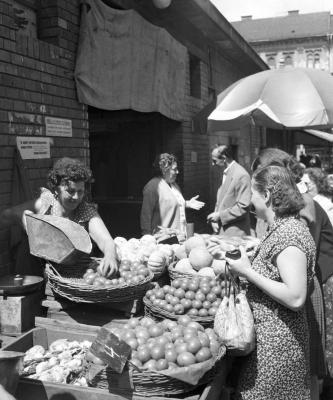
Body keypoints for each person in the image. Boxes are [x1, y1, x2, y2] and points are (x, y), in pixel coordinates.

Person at [227, 165, 316, 400]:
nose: (249, 202)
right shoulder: (282, 228)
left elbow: (296, 297)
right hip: (272, 341)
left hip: (278, 347)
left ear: (266, 196)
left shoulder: (289, 235)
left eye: (252, 195)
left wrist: (248, 271)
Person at [251, 148, 333, 400]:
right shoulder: (294, 203)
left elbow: (297, 251)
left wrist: (309, 275)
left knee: (309, 364)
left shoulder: (300, 208)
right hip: (302, 283)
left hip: (305, 287)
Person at [0, 157, 117, 277]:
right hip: (34, 276)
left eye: (80, 191)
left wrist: (110, 257)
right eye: (70, 191)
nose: (76, 197)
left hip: (69, 278)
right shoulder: (44, 204)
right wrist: (24, 218)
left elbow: (106, 241)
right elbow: (7, 215)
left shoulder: (86, 211)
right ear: (56, 189)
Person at [140, 153, 205, 241]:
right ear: (164, 170)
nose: (177, 172)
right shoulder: (152, 187)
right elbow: (146, 215)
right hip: (163, 239)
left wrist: (187, 203)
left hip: (180, 236)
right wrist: (147, 238)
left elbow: (170, 203)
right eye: (174, 169)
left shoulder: (174, 185)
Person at [207, 145, 251, 237]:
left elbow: (243, 207)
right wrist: (215, 219)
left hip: (236, 233)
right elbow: (222, 199)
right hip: (223, 231)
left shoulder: (241, 175)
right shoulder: (225, 172)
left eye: (214, 161)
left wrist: (220, 216)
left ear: (224, 158)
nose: (213, 164)